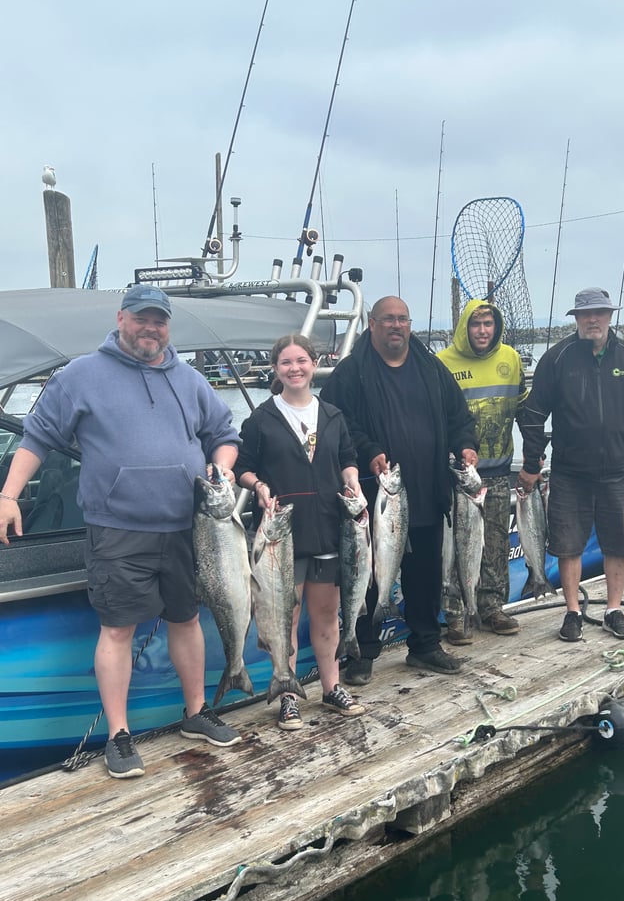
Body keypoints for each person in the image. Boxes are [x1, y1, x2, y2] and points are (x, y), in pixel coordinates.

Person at [0, 284, 243, 779]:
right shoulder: (81, 375)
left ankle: (195, 712)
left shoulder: (192, 379)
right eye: (141, 319)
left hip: (188, 528)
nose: (150, 329)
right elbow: (39, 435)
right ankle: (119, 735)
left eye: (159, 321)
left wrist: (223, 466)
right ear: (120, 319)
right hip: (117, 530)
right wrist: (8, 495)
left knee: (186, 619)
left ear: (168, 327)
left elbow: (225, 434)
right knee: (116, 629)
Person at [320, 296, 479, 683]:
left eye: (403, 319)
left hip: (428, 490)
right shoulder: (350, 372)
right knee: (373, 575)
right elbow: (336, 423)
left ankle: (425, 645)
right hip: (377, 497)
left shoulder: (432, 369)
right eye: (388, 319)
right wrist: (370, 450)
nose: (396, 326)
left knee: (425, 573)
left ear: (410, 325)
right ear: (371, 324)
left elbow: (459, 416)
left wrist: (465, 445)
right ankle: (363, 651)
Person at [516, 287, 624, 643]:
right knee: (568, 545)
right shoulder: (557, 359)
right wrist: (530, 460)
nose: (593, 320)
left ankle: (613, 609)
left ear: (610, 316)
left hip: (618, 470)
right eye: (586, 314)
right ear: (576, 319)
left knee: (618, 544)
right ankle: (572, 611)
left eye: (599, 313)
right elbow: (532, 415)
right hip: (569, 472)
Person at [234, 334, 366, 730]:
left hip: (328, 528)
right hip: (279, 536)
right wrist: (258, 487)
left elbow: (347, 458)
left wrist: (353, 479)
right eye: (286, 362)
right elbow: (243, 466)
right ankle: (288, 694)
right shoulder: (261, 418)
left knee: (327, 615)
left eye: (302, 361)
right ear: (276, 368)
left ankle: (332, 687)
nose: (295, 368)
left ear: (314, 363)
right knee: (284, 617)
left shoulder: (332, 415)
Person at [437, 299, 528, 644]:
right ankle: (456, 615)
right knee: (458, 547)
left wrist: (533, 458)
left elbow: (523, 409)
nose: (482, 331)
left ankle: (491, 607)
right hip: (458, 476)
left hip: (499, 469)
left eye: (488, 324)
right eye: (475, 325)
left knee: (494, 544)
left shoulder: (511, 358)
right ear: (464, 327)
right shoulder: (442, 363)